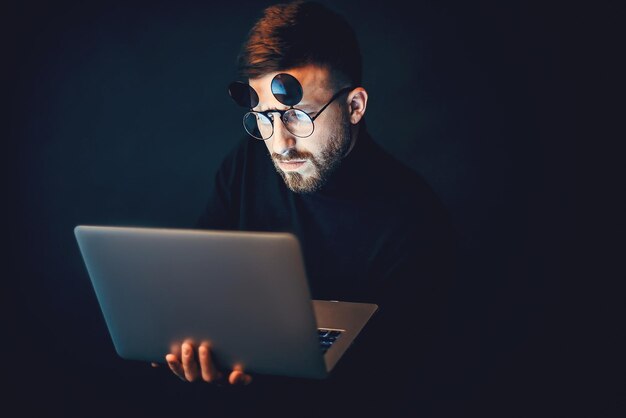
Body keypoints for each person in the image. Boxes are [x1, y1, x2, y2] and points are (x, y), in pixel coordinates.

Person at [157, 0, 457, 415]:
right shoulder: (246, 164)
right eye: (264, 117)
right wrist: (187, 337)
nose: (280, 144)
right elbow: (197, 280)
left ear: (354, 106)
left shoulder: (416, 224)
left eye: (297, 114)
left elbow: (398, 384)